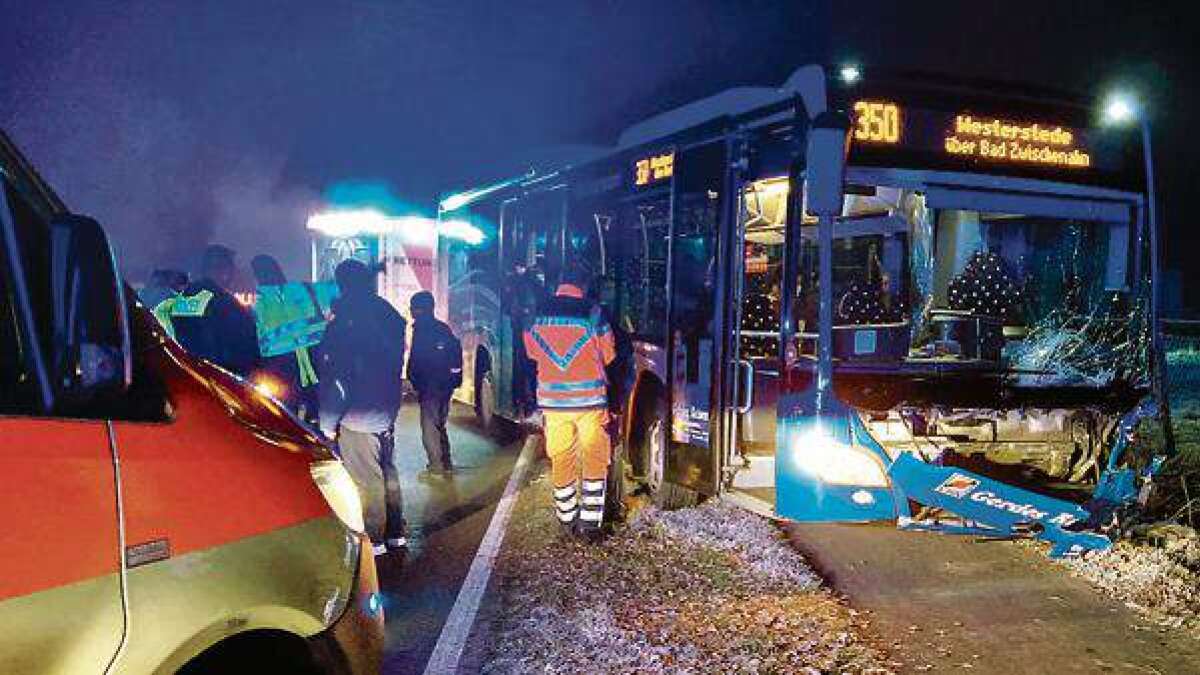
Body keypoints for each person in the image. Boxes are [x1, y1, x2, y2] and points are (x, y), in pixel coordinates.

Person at [318, 259, 408, 555]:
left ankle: (375, 539)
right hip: (386, 408)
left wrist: (328, 423)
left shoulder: (344, 322)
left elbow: (338, 380)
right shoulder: (386, 313)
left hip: (357, 415)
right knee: (387, 470)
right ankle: (396, 532)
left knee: (366, 478)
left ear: (342, 284)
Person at [523, 267, 616, 542]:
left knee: (561, 455)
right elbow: (608, 354)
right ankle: (589, 526)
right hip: (589, 403)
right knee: (594, 457)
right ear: (584, 286)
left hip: (553, 404)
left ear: (558, 285)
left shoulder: (537, 313)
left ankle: (566, 518)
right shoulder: (594, 312)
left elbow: (531, 352)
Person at [250, 254, 322, 419]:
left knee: (291, 414)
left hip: (288, 368)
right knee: (310, 414)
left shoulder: (260, 303)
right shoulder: (301, 290)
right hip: (306, 363)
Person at [169, 245, 259, 376]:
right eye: (231, 268)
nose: (233, 274)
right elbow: (245, 345)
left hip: (189, 373)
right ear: (223, 271)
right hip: (222, 376)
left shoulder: (184, 298)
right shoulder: (224, 301)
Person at [407, 291, 463, 477]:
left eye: (413, 308)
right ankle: (446, 462)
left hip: (429, 387)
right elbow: (455, 352)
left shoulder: (422, 330)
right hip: (445, 386)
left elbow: (416, 359)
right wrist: (455, 378)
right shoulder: (442, 328)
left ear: (419, 309)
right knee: (440, 423)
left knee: (429, 427)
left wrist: (413, 380)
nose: (410, 311)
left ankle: (436, 466)